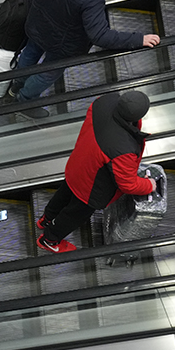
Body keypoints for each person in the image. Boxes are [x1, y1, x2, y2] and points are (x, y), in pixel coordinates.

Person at [4, 0, 160, 118]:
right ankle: (25, 100)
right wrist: (138, 39)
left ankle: (16, 85)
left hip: (38, 24)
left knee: (30, 53)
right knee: (48, 72)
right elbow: (100, 35)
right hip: (61, 44)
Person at [36, 91, 155, 253]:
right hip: (91, 189)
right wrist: (149, 185)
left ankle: (46, 219)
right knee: (74, 215)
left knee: (63, 194)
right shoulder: (123, 148)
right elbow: (128, 184)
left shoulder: (103, 102)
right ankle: (49, 239)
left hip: (77, 165)